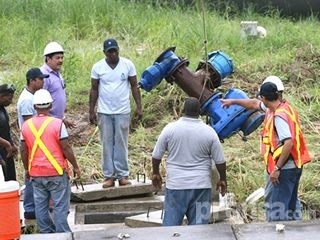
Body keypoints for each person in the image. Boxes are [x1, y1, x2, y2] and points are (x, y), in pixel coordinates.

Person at [221, 76, 311, 221]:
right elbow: (254, 104)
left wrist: (277, 169)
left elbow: (288, 142)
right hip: (294, 165)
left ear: (264, 97)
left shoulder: (279, 116)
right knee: (291, 207)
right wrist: (233, 101)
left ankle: (277, 234)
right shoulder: (282, 107)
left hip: (283, 170)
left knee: (276, 209)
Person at [152, 97, 227, 226]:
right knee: (199, 231)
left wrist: (155, 173)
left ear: (183, 110)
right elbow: (220, 161)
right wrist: (223, 179)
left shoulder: (170, 129)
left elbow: (156, 155)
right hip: (201, 187)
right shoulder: (209, 132)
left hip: (176, 186)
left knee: (171, 229)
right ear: (200, 112)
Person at [20, 89, 81, 233]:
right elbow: (66, 147)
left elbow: (23, 150)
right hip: (56, 172)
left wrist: (27, 169)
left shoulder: (26, 126)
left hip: (36, 173)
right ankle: (62, 234)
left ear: (34, 107)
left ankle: (46, 235)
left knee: (40, 206)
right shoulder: (58, 124)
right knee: (60, 206)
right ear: (51, 106)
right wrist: (76, 166)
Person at [89, 38, 143, 188]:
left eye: (115, 51)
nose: (113, 54)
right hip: (104, 111)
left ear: (118, 50)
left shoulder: (128, 65)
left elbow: (134, 86)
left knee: (121, 142)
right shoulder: (98, 67)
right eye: (109, 52)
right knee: (107, 143)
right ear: (104, 53)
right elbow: (94, 89)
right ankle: (109, 176)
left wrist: (139, 107)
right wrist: (91, 110)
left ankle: (122, 175)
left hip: (122, 110)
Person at [17, 68, 49, 220]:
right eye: (40, 79)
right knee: (31, 174)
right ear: (32, 81)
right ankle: (30, 207)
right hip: (30, 142)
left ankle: (35, 205)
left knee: (34, 173)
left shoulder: (32, 97)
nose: (43, 82)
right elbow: (31, 125)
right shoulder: (27, 100)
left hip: (33, 142)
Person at [41, 41, 75, 128]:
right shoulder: (44, 75)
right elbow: (41, 102)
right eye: (57, 58)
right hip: (48, 122)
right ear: (48, 59)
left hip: (57, 121)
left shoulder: (57, 72)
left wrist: (62, 118)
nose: (61, 60)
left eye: (62, 58)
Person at [0, 84, 17, 181]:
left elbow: (5, 130)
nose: (11, 102)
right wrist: (6, 144)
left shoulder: (3, 109)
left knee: (10, 180)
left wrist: (11, 143)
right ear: (1, 96)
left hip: (6, 151)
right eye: (9, 99)